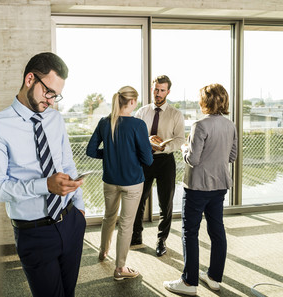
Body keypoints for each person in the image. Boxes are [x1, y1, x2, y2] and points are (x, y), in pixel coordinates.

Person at [0, 52, 86, 297]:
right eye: (48, 92)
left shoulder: (55, 119)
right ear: (30, 79)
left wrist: (80, 208)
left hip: (71, 222)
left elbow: (67, 163)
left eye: (56, 95)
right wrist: (45, 185)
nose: (52, 101)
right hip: (34, 233)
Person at [163, 83, 237, 296]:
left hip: (197, 187)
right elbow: (232, 157)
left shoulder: (200, 125)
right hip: (220, 186)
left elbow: (193, 159)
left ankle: (189, 282)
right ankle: (214, 277)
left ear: (205, 101)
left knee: (190, 232)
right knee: (217, 230)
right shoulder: (230, 125)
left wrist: (185, 149)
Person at [86, 86, 153, 281]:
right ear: (132, 102)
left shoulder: (104, 122)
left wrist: (108, 155)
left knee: (109, 217)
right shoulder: (138, 125)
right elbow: (148, 160)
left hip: (110, 181)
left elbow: (91, 151)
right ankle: (120, 268)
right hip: (132, 183)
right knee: (126, 224)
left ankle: (102, 251)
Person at [130, 75, 185, 257]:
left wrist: (164, 146)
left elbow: (180, 140)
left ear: (168, 92)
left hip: (165, 161)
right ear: (152, 89)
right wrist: (147, 142)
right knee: (139, 200)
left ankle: (162, 240)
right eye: (156, 89)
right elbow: (135, 137)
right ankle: (136, 235)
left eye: (162, 90)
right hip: (144, 161)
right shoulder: (142, 112)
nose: (158, 93)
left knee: (165, 203)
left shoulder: (176, 114)